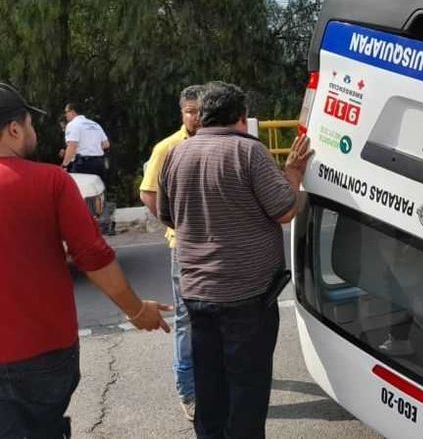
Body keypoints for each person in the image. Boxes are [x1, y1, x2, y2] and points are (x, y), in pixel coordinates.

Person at [0, 82, 172, 439]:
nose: (34, 131)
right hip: (41, 355)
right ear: (15, 129)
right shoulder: (51, 182)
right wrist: (137, 311)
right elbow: (93, 257)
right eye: (30, 124)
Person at [158, 81, 312, 439]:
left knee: (209, 389)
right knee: (246, 392)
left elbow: (168, 216)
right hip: (247, 297)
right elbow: (285, 210)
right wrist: (292, 173)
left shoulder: (177, 154)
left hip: (197, 294)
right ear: (241, 117)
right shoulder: (249, 152)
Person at [139, 85, 203, 421]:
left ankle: (211, 378)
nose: (196, 116)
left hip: (213, 246)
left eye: (200, 110)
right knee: (185, 321)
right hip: (184, 248)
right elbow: (147, 192)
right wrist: (172, 222)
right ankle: (188, 392)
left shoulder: (215, 140)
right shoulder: (167, 147)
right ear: (182, 113)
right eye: (190, 111)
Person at [60, 102, 110, 181]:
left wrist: (64, 165)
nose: (65, 115)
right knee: (97, 190)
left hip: (83, 165)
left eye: (66, 112)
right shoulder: (95, 124)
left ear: (72, 112)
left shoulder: (73, 124)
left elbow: (72, 146)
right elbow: (106, 144)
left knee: (81, 190)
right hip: (99, 163)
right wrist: (92, 147)